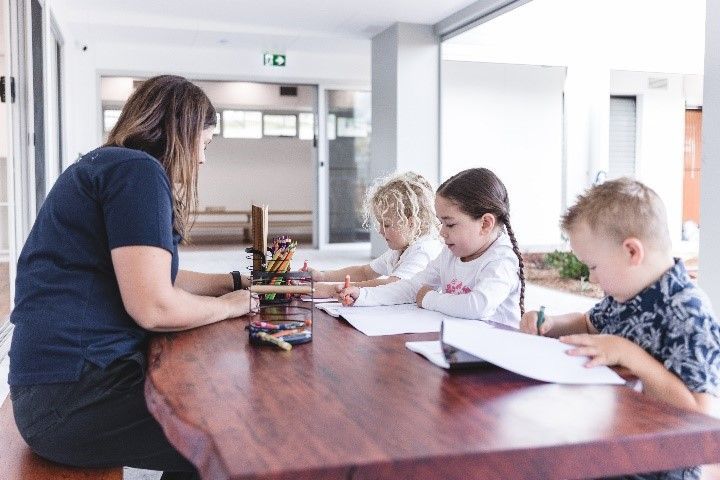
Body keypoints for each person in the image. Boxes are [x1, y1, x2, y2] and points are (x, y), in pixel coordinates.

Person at [8, 75, 257, 480]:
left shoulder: (112, 165)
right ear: (182, 131)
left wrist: (233, 282)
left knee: (203, 395)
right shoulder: (137, 172)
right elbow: (154, 306)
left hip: (56, 387)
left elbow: (158, 278)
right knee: (234, 434)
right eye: (204, 144)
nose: (201, 160)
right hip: (71, 398)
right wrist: (229, 307)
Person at [519, 178, 720, 480]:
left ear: (631, 253)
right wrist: (551, 324)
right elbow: (589, 324)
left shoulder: (689, 313)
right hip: (609, 447)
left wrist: (629, 354)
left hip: (654, 467)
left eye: (594, 267)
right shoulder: (627, 293)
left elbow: (701, 416)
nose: (592, 278)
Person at [339, 167, 525, 326]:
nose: (442, 232)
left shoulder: (502, 260)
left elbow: (477, 306)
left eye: (450, 224)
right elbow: (412, 287)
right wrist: (362, 295)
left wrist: (429, 298)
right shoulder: (450, 254)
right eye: (441, 223)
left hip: (495, 359)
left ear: (485, 224)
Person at [309, 171, 442, 298]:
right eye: (380, 224)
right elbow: (365, 272)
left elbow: (393, 286)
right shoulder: (399, 250)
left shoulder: (422, 250)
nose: (380, 231)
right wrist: (322, 276)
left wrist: (335, 289)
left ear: (411, 223)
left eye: (387, 225)